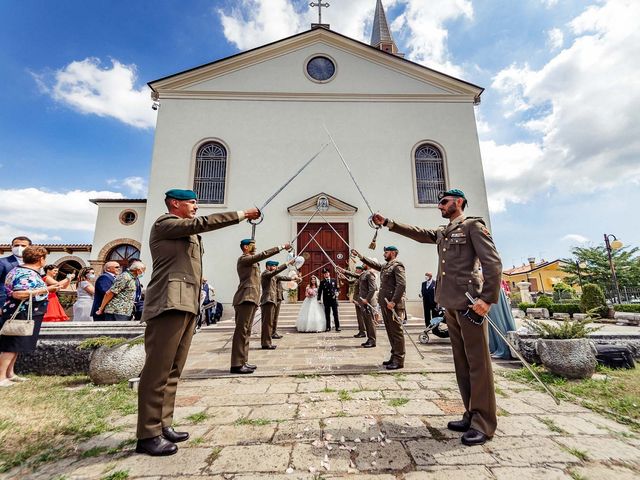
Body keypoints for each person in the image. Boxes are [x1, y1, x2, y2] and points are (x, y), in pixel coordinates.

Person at [369, 188, 502, 447]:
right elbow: (419, 234)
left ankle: (484, 423)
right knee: (462, 363)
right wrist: (387, 223)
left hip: (470, 303)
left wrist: (487, 299)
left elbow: (493, 263)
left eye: (444, 202)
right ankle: (471, 414)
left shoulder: (473, 226)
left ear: (459, 202)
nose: (439, 206)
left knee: (478, 364)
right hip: (451, 303)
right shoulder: (444, 232)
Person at [136, 188, 260, 457]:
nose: (196, 205)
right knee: (157, 369)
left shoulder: (187, 232)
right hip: (169, 302)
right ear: (175, 203)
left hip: (187, 303)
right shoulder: (165, 223)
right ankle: (147, 433)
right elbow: (201, 223)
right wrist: (241, 215)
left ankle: (163, 424)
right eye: (191, 202)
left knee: (173, 370)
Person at [231, 238, 291, 374]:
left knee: (246, 332)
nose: (255, 247)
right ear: (245, 247)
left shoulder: (252, 261)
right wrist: (281, 246)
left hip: (252, 298)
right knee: (241, 332)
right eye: (252, 245)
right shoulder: (243, 259)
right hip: (244, 298)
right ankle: (236, 363)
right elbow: (263, 254)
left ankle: (243, 361)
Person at [0, 246, 58, 387]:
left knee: (17, 344)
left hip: (26, 311)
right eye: (45, 258)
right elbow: (19, 294)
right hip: (21, 311)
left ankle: (10, 373)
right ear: (40, 259)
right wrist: (47, 289)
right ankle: (1, 377)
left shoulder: (21, 270)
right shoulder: (26, 273)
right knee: (11, 344)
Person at [353, 246, 406, 368]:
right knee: (390, 332)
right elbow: (374, 264)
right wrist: (360, 256)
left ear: (393, 253)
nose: (384, 254)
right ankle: (394, 356)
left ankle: (399, 360)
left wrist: (393, 301)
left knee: (396, 332)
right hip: (385, 304)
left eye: (386, 252)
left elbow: (401, 285)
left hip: (393, 305)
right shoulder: (386, 266)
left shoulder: (397, 266)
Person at [260, 260, 295, 348]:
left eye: (276, 266)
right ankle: (266, 343)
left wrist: (294, 279)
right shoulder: (266, 274)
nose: (275, 268)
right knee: (267, 323)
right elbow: (277, 272)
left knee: (270, 322)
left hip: (272, 300)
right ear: (268, 266)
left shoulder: (272, 275)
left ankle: (267, 342)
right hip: (268, 300)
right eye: (274, 266)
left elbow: (282, 277)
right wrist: (287, 263)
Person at [0, 236, 32, 308]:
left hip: (28, 303)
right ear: (12, 247)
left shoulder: (33, 263)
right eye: (16, 245)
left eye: (23, 246)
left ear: (30, 248)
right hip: (5, 303)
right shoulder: (2, 262)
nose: (19, 248)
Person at [337, 266, 367, 338]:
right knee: (359, 317)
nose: (356, 270)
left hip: (361, 300)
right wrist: (343, 278)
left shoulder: (363, 277)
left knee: (361, 317)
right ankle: (361, 331)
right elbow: (350, 282)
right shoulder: (358, 278)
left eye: (357, 269)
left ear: (360, 270)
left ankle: (363, 331)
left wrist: (359, 300)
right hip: (357, 300)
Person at [487, 288, 516, 360]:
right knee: (491, 319)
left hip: (492, 290)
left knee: (497, 318)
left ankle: (504, 348)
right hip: (489, 290)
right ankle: (495, 347)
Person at [358, 263, 378, 348]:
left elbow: (372, 288)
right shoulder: (365, 273)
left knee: (370, 322)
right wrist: (344, 271)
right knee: (366, 321)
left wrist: (367, 299)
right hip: (364, 301)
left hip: (368, 301)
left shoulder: (370, 274)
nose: (362, 264)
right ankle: (369, 338)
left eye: (364, 263)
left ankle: (372, 340)